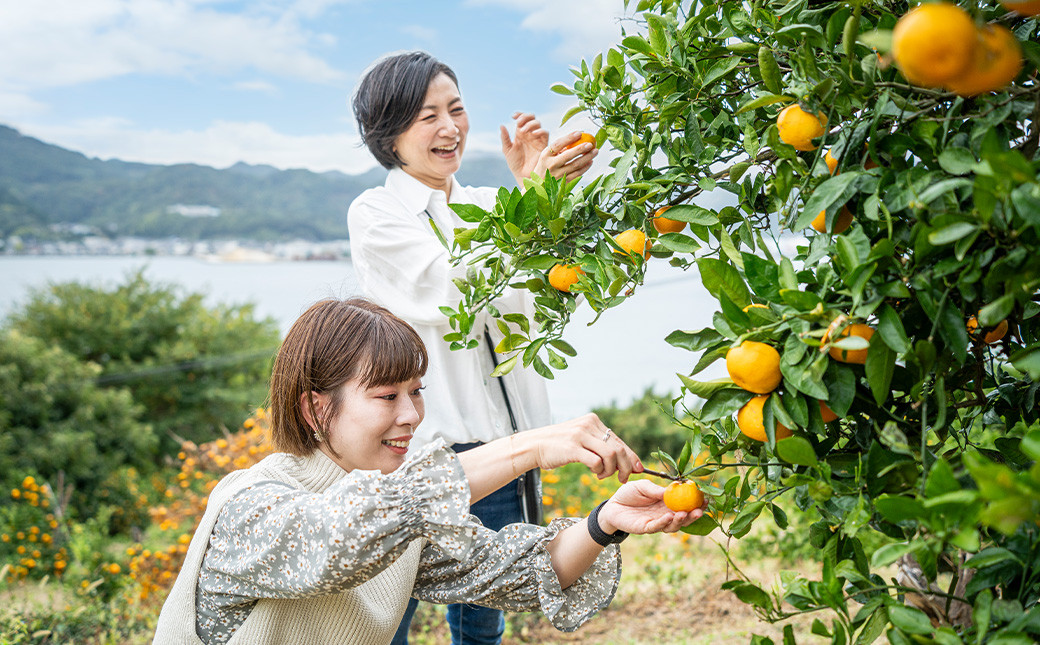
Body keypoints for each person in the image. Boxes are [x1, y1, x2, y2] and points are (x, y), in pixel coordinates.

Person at [152, 298, 702, 645]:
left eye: (416, 392)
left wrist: (607, 521)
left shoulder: (397, 517)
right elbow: (336, 538)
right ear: (316, 408)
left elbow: (515, 573)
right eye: (386, 396)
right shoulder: (252, 505)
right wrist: (528, 447)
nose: (412, 415)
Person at [347, 50, 597, 645]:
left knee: (486, 608)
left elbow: (550, 293)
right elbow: (448, 286)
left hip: (505, 446)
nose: (449, 127)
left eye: (456, 109)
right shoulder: (376, 213)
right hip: (420, 447)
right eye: (426, 115)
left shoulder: (490, 207)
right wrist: (532, 203)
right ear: (389, 136)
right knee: (390, 607)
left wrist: (553, 202)